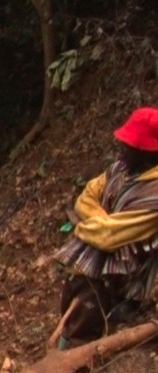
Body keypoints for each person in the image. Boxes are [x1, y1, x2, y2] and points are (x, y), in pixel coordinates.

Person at [53, 107, 158, 345]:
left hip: (132, 269)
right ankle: (70, 335)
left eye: (129, 145)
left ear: (147, 153)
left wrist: (81, 227)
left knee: (90, 278)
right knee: (77, 279)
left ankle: (80, 345)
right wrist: (100, 220)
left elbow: (109, 236)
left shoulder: (154, 194)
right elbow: (86, 197)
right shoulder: (121, 169)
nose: (121, 148)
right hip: (106, 248)